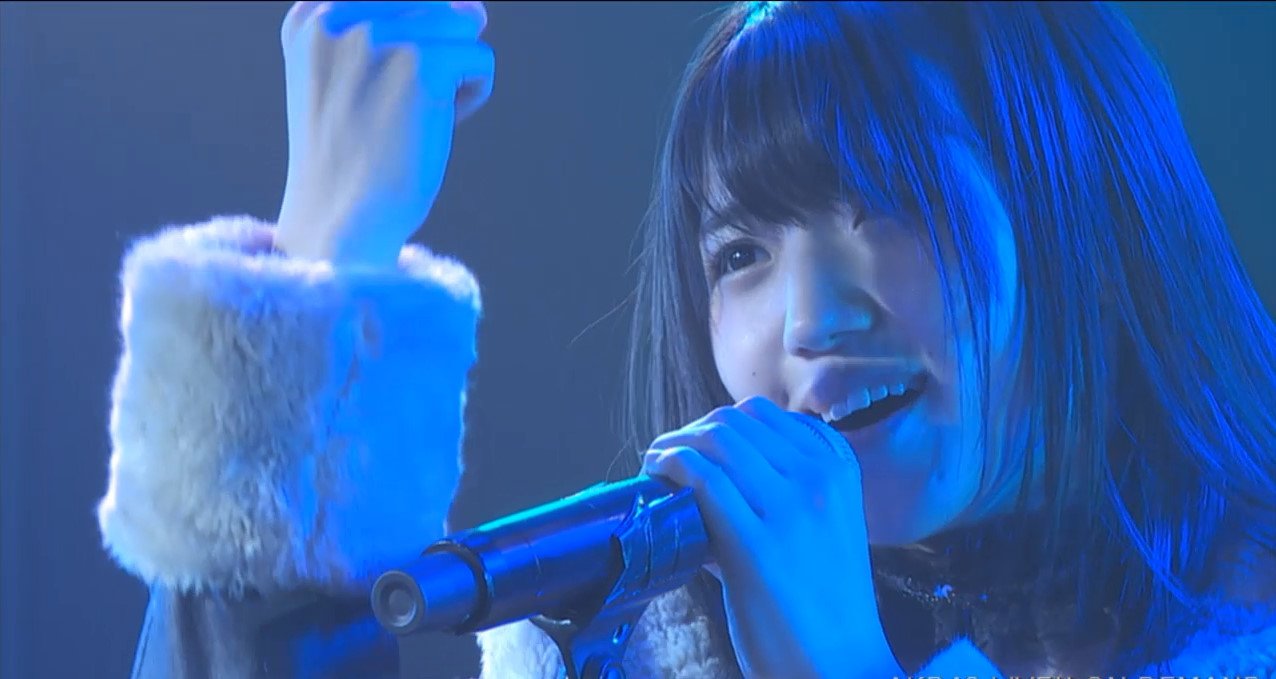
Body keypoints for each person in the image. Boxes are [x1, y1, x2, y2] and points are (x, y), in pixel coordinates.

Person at [95, 1, 1276, 677]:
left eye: (889, 206)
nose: (809, 321)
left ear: (1086, 213)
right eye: (739, 254)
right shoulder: (642, 642)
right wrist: (327, 257)